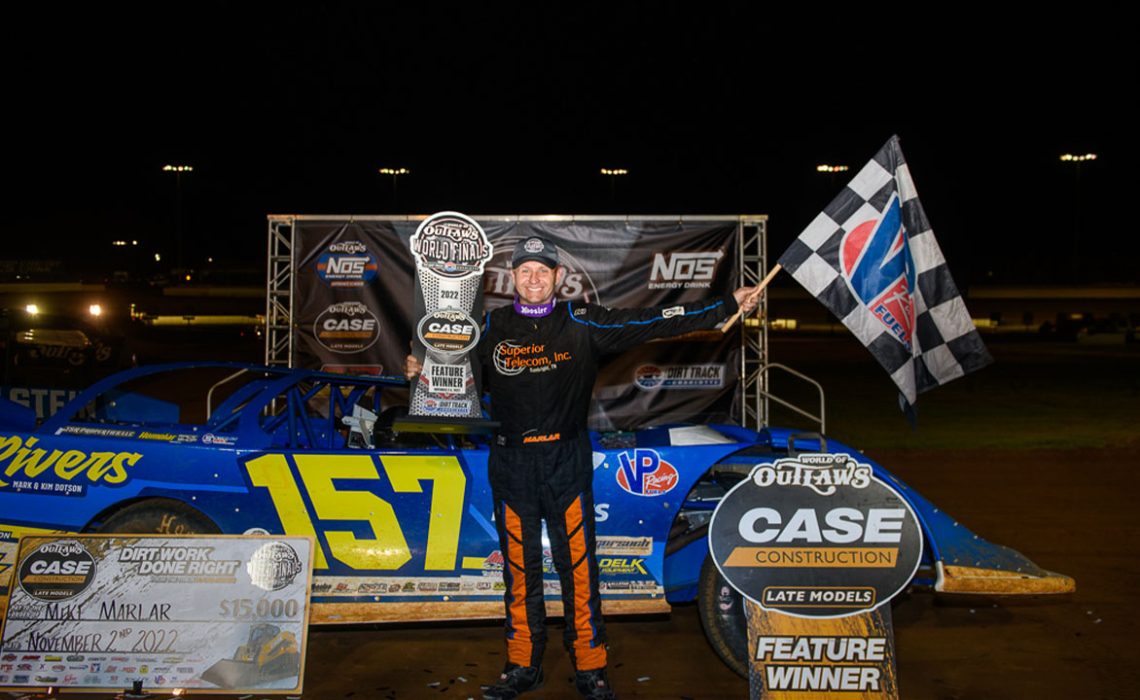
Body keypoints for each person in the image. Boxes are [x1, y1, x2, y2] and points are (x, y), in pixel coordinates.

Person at [406, 236, 757, 700]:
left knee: (579, 568)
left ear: (557, 277)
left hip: (566, 460)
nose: (534, 279)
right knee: (518, 569)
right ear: (513, 278)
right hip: (511, 463)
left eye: (542, 271)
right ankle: (521, 665)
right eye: (525, 271)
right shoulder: (487, 327)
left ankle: (591, 667)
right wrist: (423, 372)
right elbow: (451, 378)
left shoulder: (582, 321)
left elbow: (650, 322)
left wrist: (722, 306)